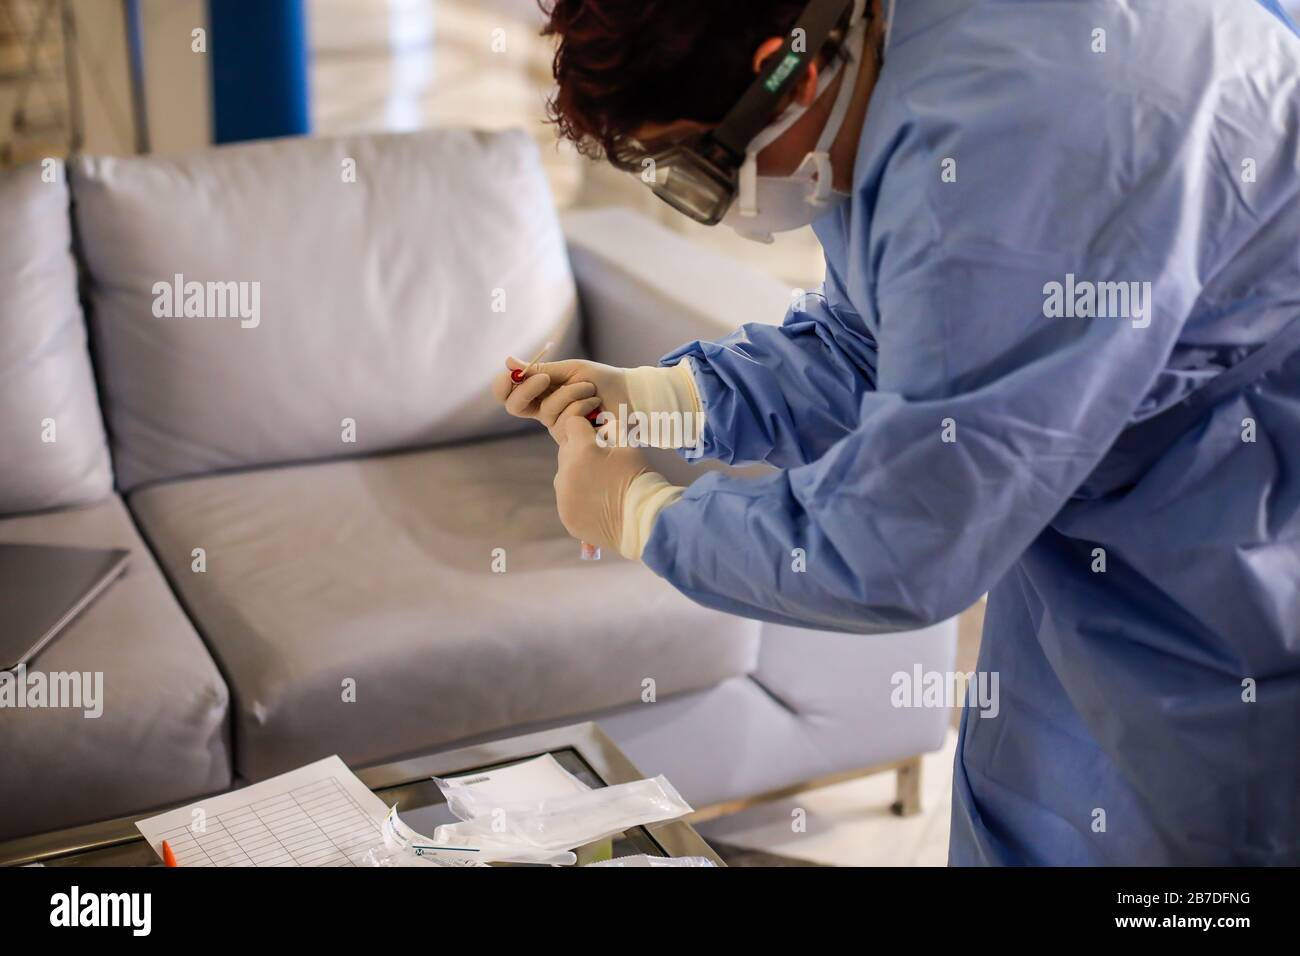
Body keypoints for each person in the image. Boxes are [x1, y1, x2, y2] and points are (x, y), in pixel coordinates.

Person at [493, 0, 1300, 865]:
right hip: (1087, 518)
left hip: (1231, 551)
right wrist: (659, 396)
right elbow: (880, 343)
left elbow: (902, 544)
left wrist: (637, 513)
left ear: (785, 72)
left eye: (700, 168)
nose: (719, 204)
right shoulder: (880, 52)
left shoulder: (1011, 137)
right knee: (1040, 816)